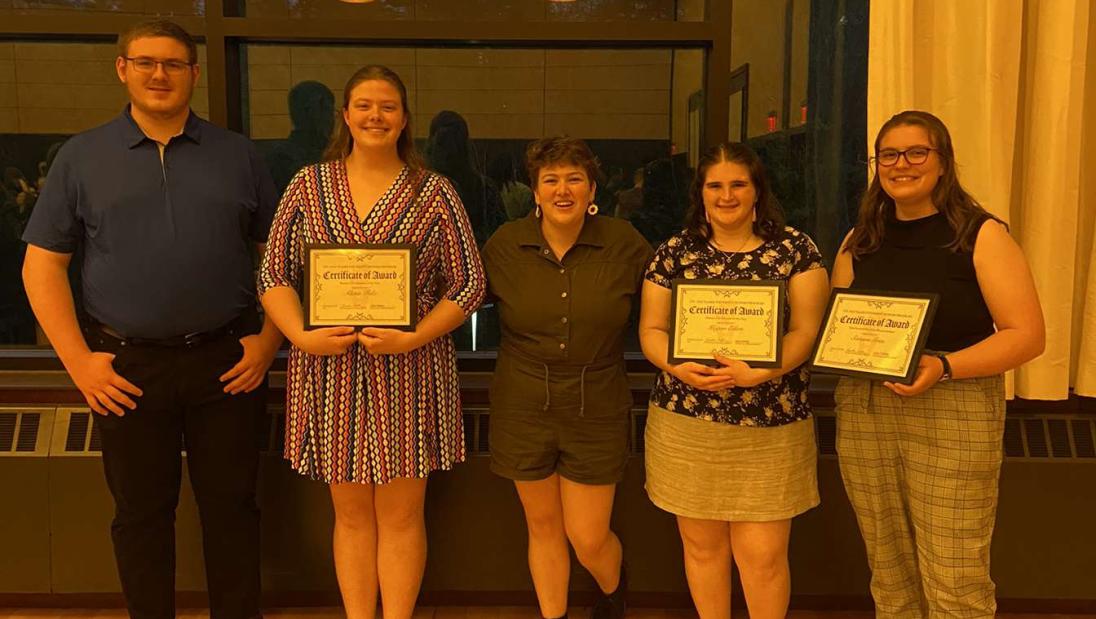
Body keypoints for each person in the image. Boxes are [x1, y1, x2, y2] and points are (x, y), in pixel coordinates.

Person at [21, 19, 280, 619]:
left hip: (228, 362)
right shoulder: (80, 157)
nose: (159, 75)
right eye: (146, 63)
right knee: (139, 516)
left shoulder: (237, 155)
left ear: (194, 74)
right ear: (122, 69)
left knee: (234, 510)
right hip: (124, 367)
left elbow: (282, 258)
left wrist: (267, 343)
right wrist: (79, 363)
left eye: (172, 64)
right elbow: (41, 268)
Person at [258, 65, 485, 619]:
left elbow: (470, 282)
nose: (375, 116)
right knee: (353, 515)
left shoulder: (434, 192)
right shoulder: (309, 185)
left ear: (405, 118)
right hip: (330, 370)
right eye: (364, 105)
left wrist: (415, 335)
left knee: (404, 516)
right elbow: (273, 276)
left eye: (387, 106)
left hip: (410, 370)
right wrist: (301, 335)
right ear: (346, 115)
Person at [832, 110, 1045, 618]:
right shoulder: (859, 238)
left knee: (954, 574)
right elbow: (840, 325)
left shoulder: (981, 234)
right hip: (866, 411)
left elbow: (1027, 336)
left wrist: (943, 367)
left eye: (916, 153)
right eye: (889, 155)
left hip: (953, 407)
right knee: (889, 571)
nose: (901, 164)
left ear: (943, 162)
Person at [638, 142, 829, 619]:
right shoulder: (674, 252)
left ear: (757, 190)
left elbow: (807, 330)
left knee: (762, 559)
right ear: (700, 193)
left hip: (771, 426)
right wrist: (674, 365)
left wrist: (761, 371)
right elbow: (651, 330)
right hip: (687, 424)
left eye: (738, 184)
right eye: (715, 185)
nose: (727, 195)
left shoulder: (795, 250)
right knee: (702, 550)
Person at [482, 136, 651, 619]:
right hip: (522, 401)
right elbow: (457, 298)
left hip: (596, 402)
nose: (562, 189)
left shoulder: (625, 243)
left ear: (592, 187)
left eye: (574, 179)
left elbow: (673, 307)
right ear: (534, 191)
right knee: (543, 528)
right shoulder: (505, 244)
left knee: (588, 536)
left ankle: (613, 594)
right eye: (550, 179)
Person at [424, 110, 506, 245]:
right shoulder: (484, 187)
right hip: (477, 256)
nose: (449, 149)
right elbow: (498, 234)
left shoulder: (421, 188)